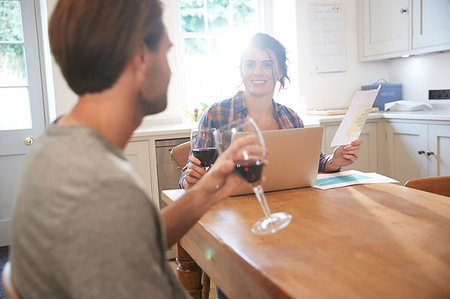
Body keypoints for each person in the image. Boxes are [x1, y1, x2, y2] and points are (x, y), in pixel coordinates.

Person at [9, 0, 255, 298]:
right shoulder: (103, 189)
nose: (170, 71)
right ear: (141, 57)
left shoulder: (59, 142)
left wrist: (209, 190)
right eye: (166, 53)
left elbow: (132, 236)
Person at [180, 33, 362, 190]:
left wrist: (334, 161)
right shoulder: (216, 114)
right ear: (242, 70)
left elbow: (313, 162)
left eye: (267, 65)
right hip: (230, 211)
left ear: (280, 72)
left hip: (284, 206)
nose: (257, 72)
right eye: (250, 64)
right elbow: (187, 176)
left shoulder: (291, 118)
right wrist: (191, 179)